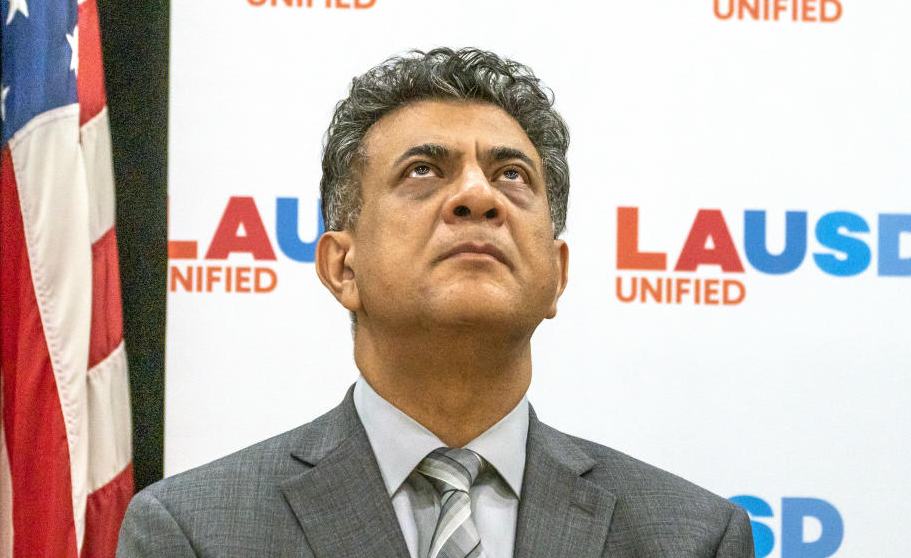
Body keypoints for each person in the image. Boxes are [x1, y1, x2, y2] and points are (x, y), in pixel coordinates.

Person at [116, 48, 754, 557]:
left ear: (558, 275)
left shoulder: (691, 538)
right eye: (423, 170)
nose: (478, 197)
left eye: (512, 175)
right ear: (343, 266)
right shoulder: (195, 533)